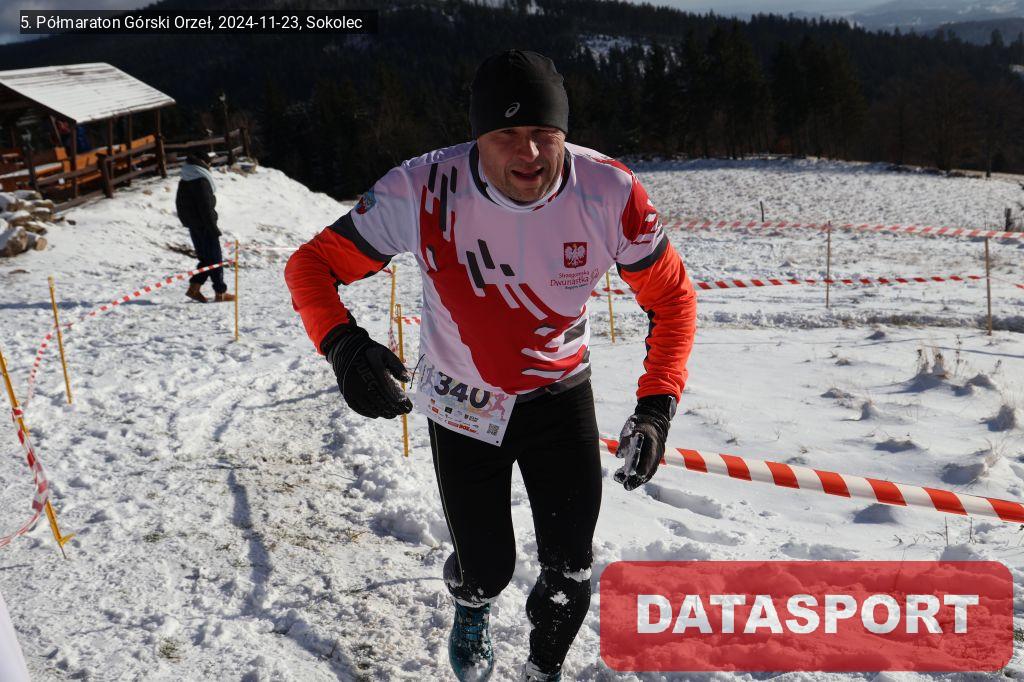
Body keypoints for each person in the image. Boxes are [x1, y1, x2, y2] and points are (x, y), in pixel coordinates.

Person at [285, 50, 697, 681]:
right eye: (506, 134)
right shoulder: (422, 189)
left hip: (560, 394)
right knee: (486, 566)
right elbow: (310, 266)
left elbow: (673, 300)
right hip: (463, 403)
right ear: (477, 137)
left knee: (570, 569)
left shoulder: (609, 191)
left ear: (563, 132)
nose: (528, 153)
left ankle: (541, 671)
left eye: (543, 133)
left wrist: (656, 406)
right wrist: (342, 345)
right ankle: (472, 602)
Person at [176, 154, 234, 303]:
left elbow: (179, 204)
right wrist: (213, 228)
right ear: (203, 163)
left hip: (194, 225)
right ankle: (219, 293)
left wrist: (188, 222)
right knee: (215, 259)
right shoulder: (201, 180)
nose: (210, 167)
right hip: (205, 225)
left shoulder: (185, 179)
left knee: (207, 259)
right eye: (209, 164)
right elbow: (206, 207)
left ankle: (195, 289)